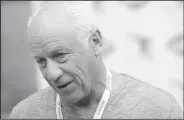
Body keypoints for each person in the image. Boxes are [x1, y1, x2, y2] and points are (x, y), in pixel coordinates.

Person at [9, 2, 183, 119]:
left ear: (95, 43)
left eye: (60, 55)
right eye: (41, 61)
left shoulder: (158, 109)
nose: (51, 74)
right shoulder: (24, 114)